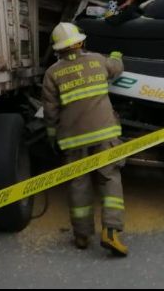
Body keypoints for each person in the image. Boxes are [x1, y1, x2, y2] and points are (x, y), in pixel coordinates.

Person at [41, 22, 128, 256]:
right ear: (80, 42)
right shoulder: (98, 60)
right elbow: (117, 67)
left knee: (78, 184)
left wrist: (52, 136)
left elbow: (50, 112)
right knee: (109, 178)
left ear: (58, 49)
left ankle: (81, 235)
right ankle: (111, 232)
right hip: (105, 135)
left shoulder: (52, 73)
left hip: (72, 141)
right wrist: (117, 55)